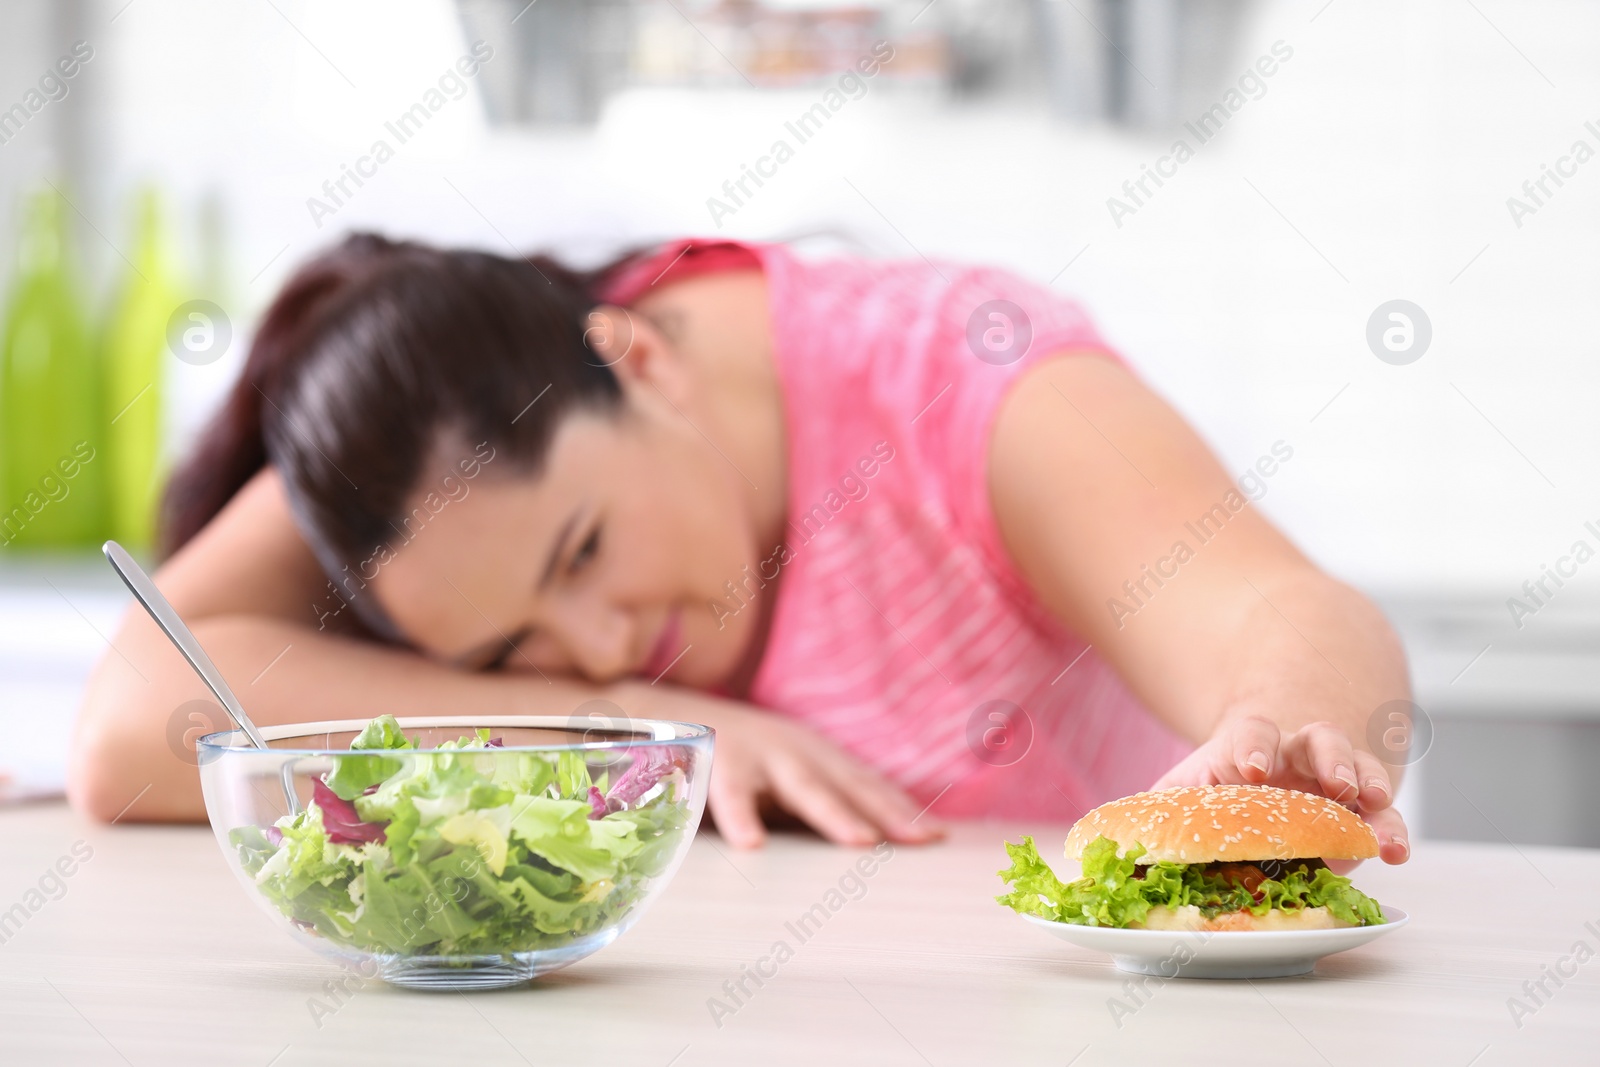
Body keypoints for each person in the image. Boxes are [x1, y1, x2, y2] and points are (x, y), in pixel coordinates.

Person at [69, 235, 1410, 863]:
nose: (592, 638)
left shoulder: (957, 376)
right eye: (509, 647)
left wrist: (1278, 744)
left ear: (635, 353)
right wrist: (611, 718)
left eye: (582, 551)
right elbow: (136, 728)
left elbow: (1277, 614)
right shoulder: (417, 459)